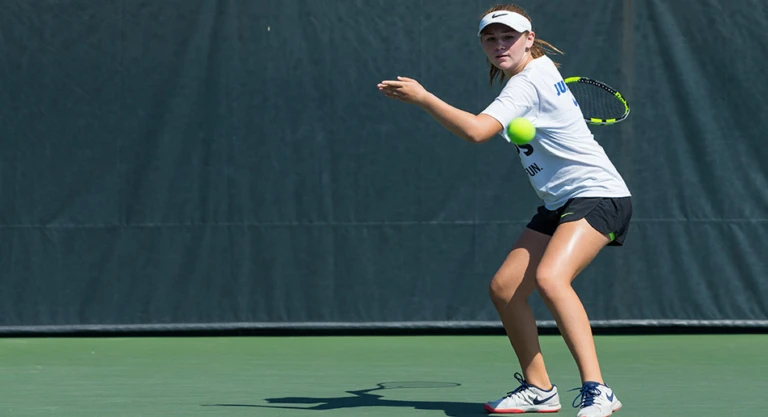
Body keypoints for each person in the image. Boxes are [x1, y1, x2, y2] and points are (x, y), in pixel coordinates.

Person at [377, 4, 631, 417]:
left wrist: (424, 98)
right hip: (559, 202)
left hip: (599, 195)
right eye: (490, 39)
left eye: (508, 37)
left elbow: (478, 132)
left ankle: (598, 389)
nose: (499, 45)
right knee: (505, 289)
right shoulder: (539, 71)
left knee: (551, 278)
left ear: (529, 39)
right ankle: (539, 389)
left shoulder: (526, 84)